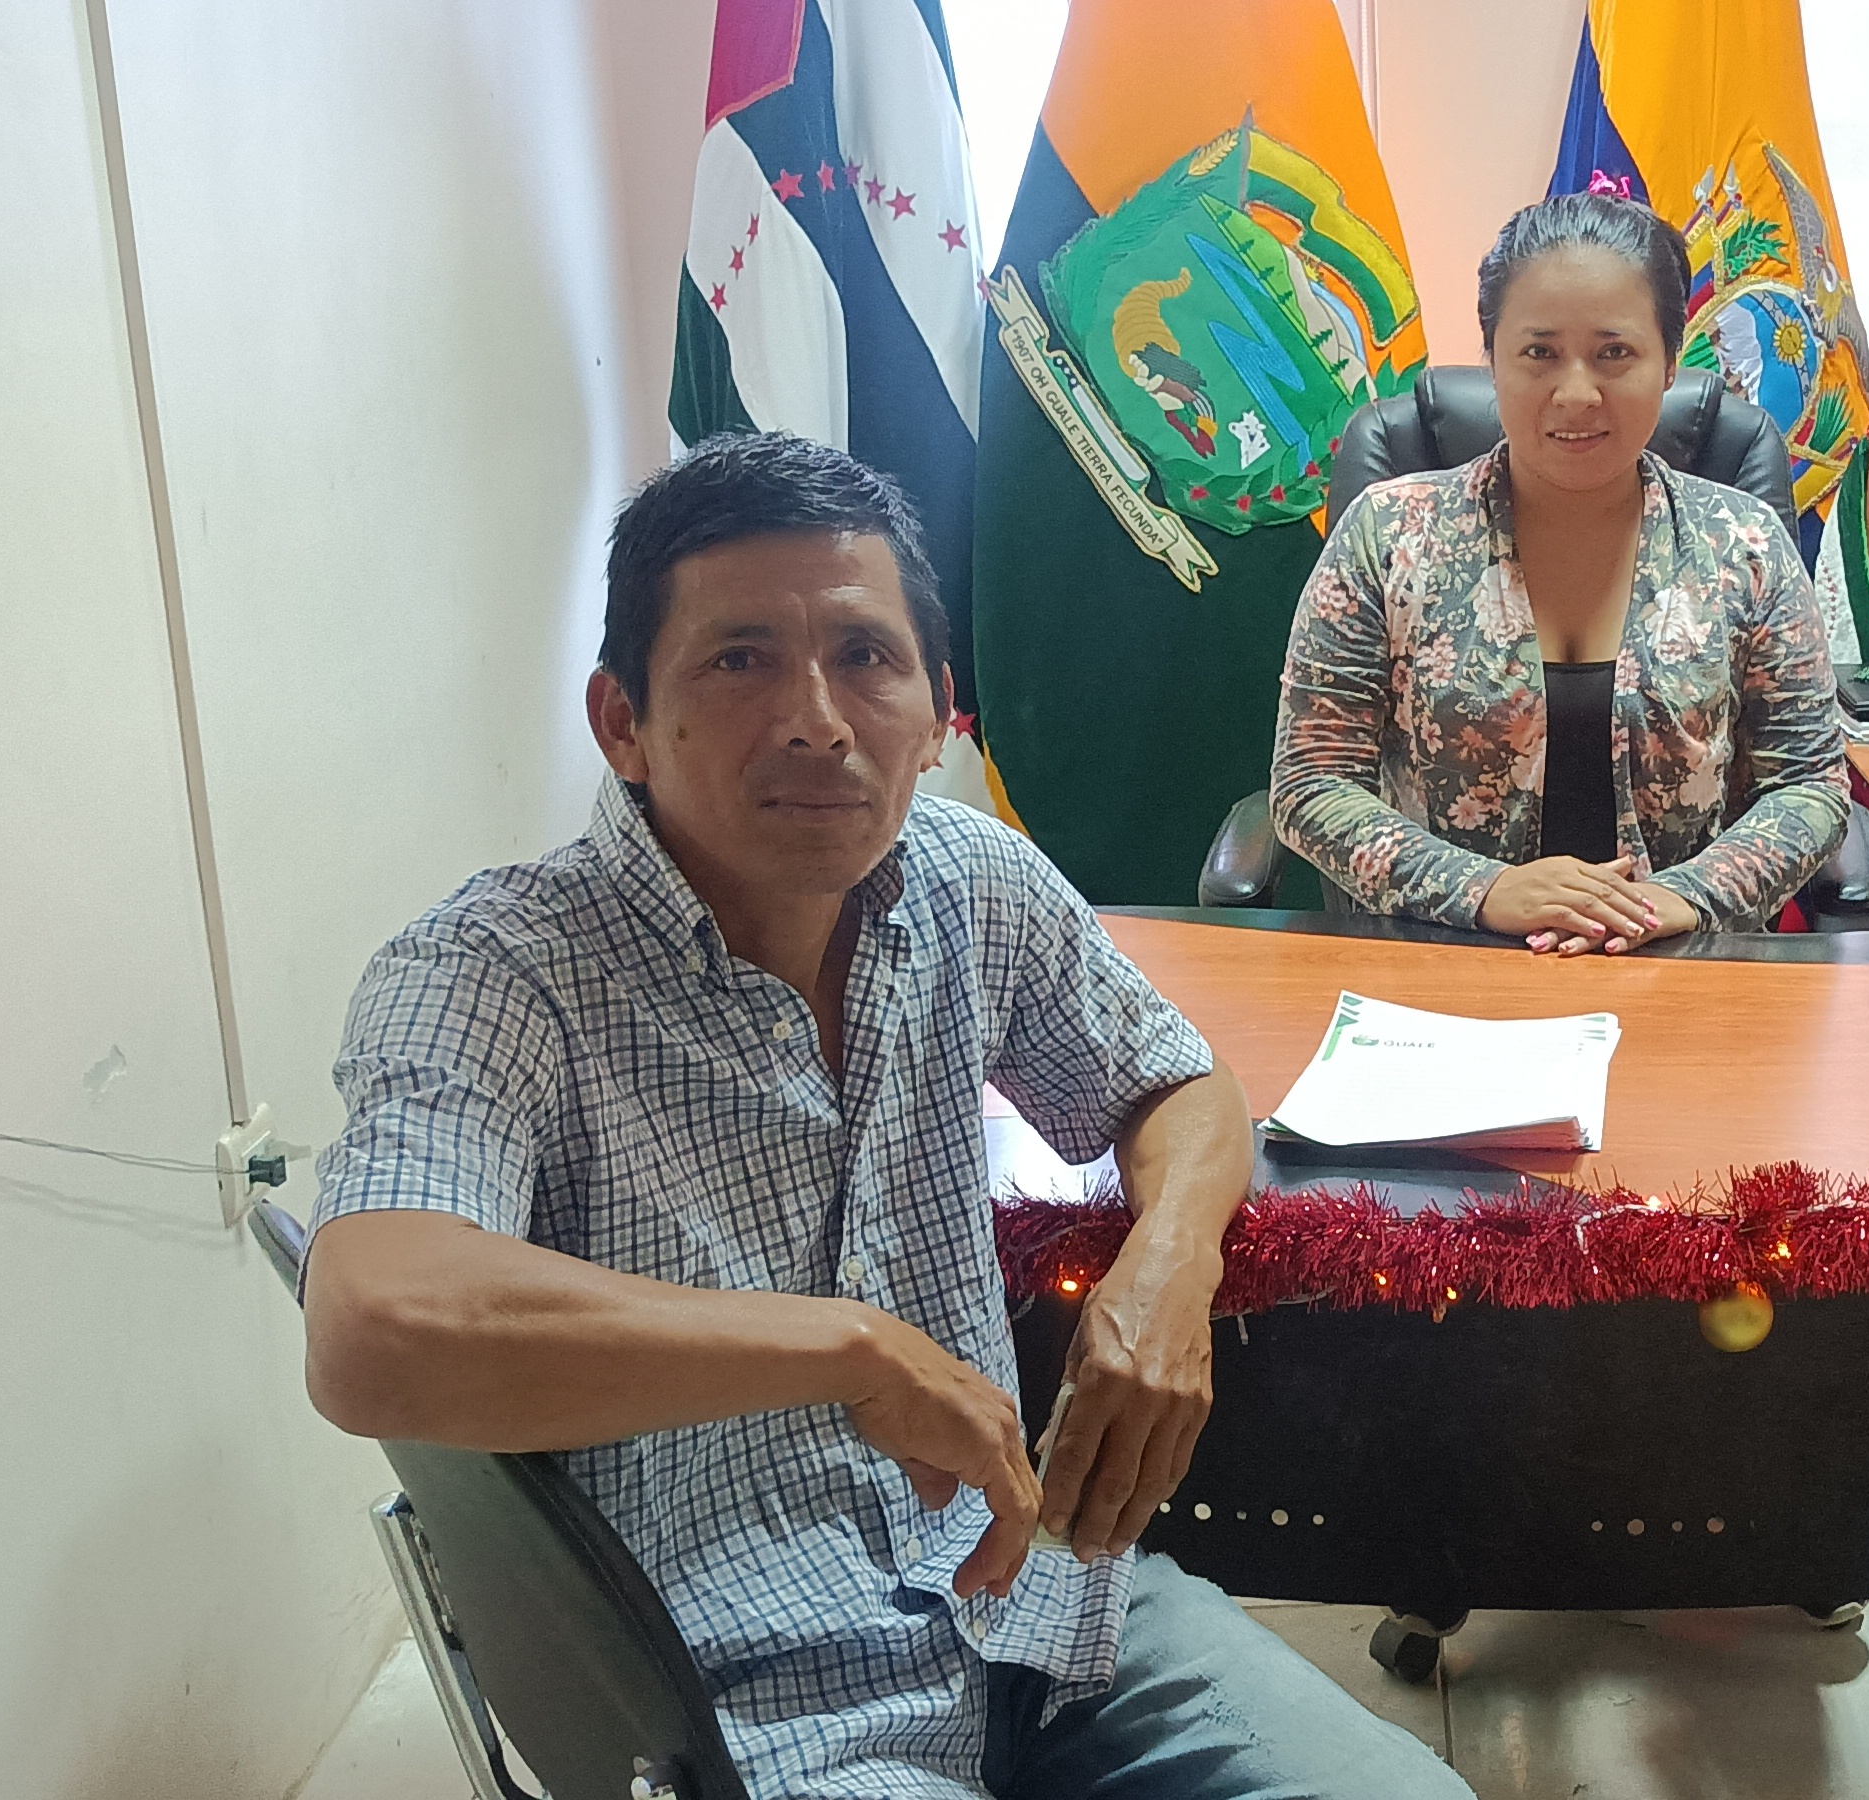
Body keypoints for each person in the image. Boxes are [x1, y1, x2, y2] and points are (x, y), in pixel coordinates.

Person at [300, 432, 1467, 1799]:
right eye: (739, 660)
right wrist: (844, 1352)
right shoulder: (495, 972)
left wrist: (1165, 1273)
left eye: (864, 657)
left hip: (1031, 1597)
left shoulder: (964, 877)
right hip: (746, 1691)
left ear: (936, 711)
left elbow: (1180, 1083)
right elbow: (374, 1327)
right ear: (623, 722)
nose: (816, 720)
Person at [1272, 191, 1851, 955]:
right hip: (1440, 965)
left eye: (1615, 353)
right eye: (1540, 353)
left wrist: (1683, 897)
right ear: (1491, 358)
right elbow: (1311, 782)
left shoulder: (1746, 545)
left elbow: (1809, 785)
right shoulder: (1388, 535)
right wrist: (1485, 890)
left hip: (1680, 967)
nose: (1576, 394)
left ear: (1671, 364)